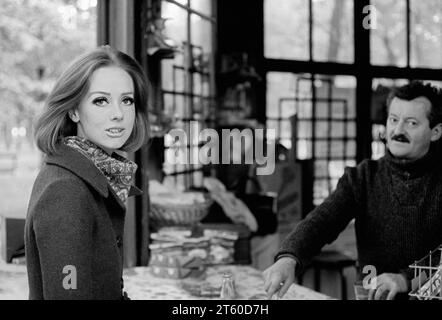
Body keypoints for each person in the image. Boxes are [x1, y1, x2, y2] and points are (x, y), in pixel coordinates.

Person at [263, 81, 442, 300]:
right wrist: (289, 257)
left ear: (435, 132)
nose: (397, 130)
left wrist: (407, 279)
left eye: (411, 123)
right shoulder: (363, 177)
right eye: (393, 120)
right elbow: (322, 221)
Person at [24, 46, 149, 300]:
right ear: (74, 110)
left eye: (127, 100)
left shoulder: (94, 172)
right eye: (101, 100)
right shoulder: (66, 190)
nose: (118, 114)